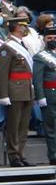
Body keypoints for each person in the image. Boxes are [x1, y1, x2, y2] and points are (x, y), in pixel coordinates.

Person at [0, 16, 36, 166]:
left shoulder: (22, 45)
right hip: (15, 90)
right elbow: (2, 72)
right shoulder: (7, 47)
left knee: (24, 124)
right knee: (14, 124)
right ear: (17, 27)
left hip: (26, 88)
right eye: (23, 26)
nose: (25, 29)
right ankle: (13, 155)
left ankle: (20, 152)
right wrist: (4, 94)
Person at [33, 26, 56, 166]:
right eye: (50, 38)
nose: (53, 40)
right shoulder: (40, 56)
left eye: (55, 38)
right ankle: (53, 155)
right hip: (50, 95)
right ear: (45, 39)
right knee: (51, 127)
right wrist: (40, 96)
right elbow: (37, 79)